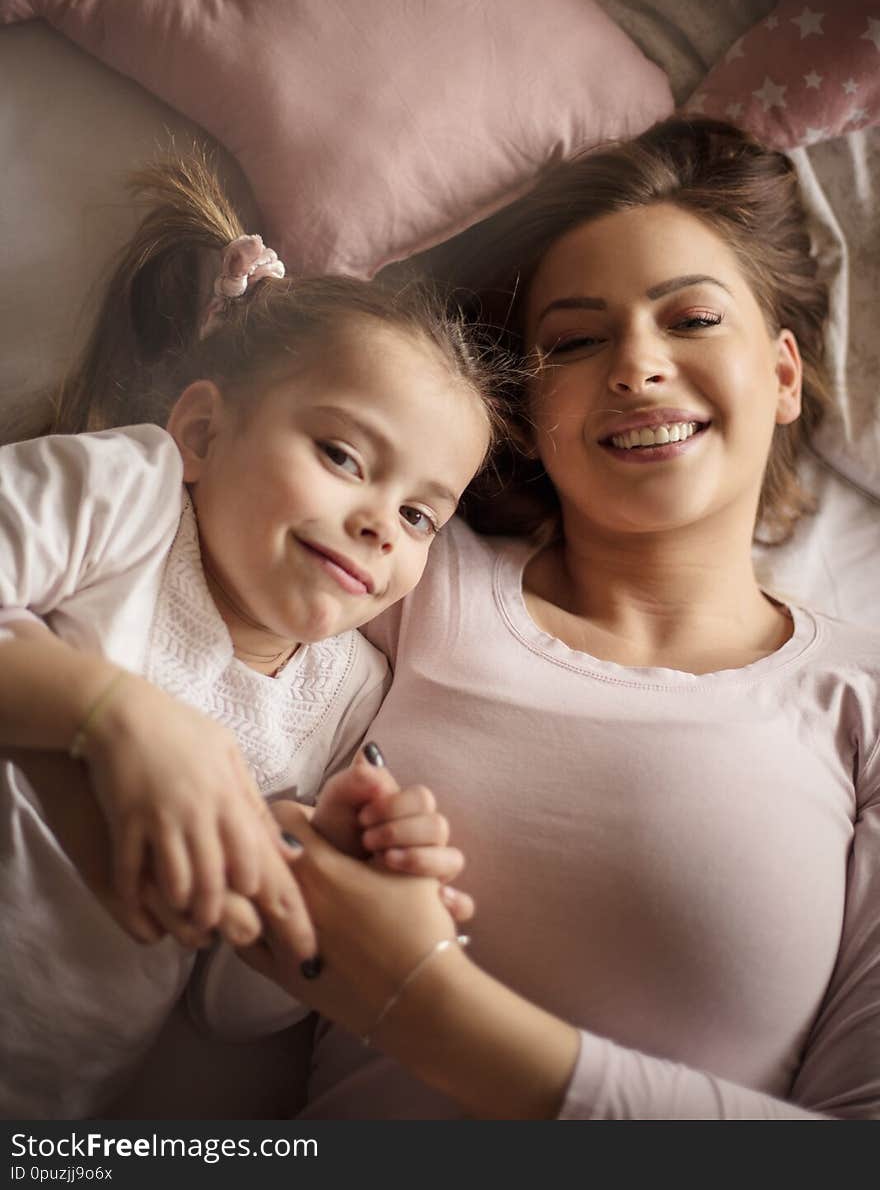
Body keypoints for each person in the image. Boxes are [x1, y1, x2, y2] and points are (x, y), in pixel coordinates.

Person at [210, 117, 880, 1119]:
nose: (636, 365)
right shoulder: (394, 573)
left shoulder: (861, 706)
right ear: (529, 409)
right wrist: (290, 877)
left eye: (690, 319)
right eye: (573, 339)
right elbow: (226, 998)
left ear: (784, 374)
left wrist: (425, 1004)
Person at [0, 149, 507, 1118]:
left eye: (418, 517)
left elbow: (229, 1008)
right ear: (202, 432)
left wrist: (330, 885)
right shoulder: (129, 499)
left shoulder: (346, 692)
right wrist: (111, 714)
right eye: (342, 454)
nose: (377, 522)